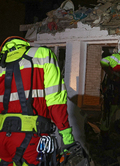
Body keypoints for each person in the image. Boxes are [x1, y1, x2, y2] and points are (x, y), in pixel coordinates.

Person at [0, 36, 83, 166]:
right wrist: (67, 138)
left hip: (2, 139)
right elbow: (55, 100)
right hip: (31, 139)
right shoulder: (42, 54)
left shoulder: (2, 64)